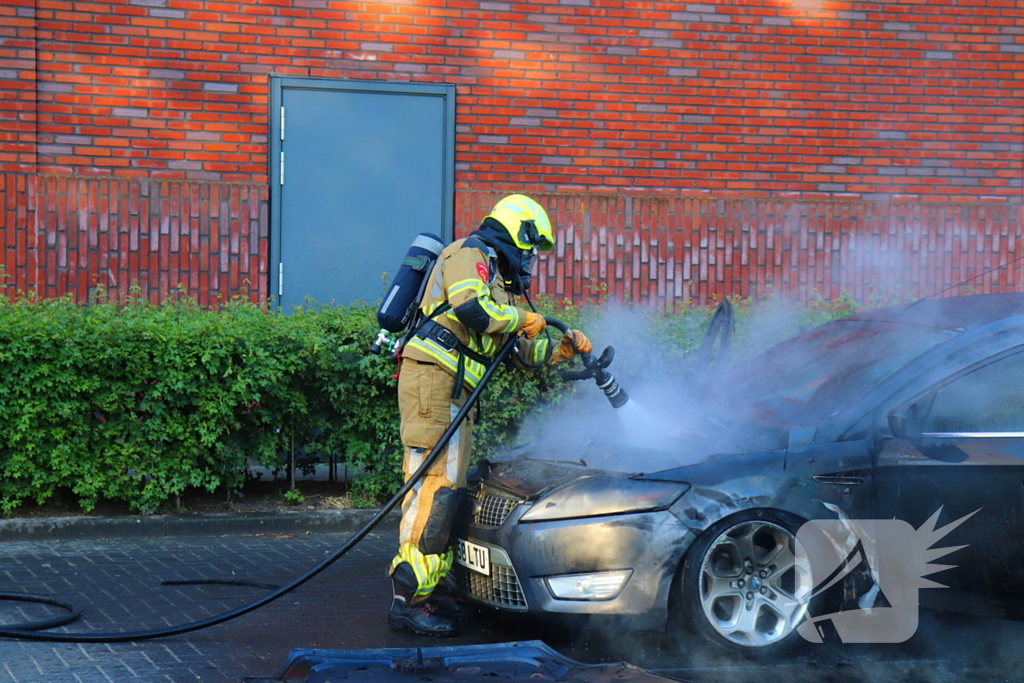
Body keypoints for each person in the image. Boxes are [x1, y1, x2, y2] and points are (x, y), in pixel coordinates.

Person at [387, 194, 592, 636]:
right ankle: (407, 597)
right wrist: (520, 317)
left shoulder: (499, 278)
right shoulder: (469, 253)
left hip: (454, 388)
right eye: (531, 247)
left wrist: (562, 347)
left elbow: (520, 352)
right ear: (516, 231)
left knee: (449, 489)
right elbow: (471, 309)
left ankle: (430, 582)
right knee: (432, 484)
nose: (531, 258)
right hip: (433, 381)